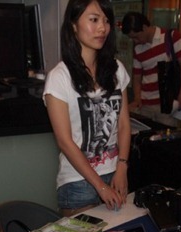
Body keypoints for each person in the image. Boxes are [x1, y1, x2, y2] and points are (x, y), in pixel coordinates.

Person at [43, 0, 130, 217]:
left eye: (106, 21)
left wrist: (122, 167)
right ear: (74, 25)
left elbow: (124, 125)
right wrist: (100, 186)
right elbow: (64, 141)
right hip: (78, 182)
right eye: (94, 20)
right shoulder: (59, 77)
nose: (102, 28)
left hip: (115, 174)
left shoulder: (116, 69)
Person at [121, 11, 181, 119]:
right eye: (132, 39)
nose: (135, 41)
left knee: (166, 128)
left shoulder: (171, 36)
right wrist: (137, 98)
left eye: (136, 37)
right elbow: (137, 77)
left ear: (144, 27)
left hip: (167, 101)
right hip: (145, 104)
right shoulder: (138, 48)